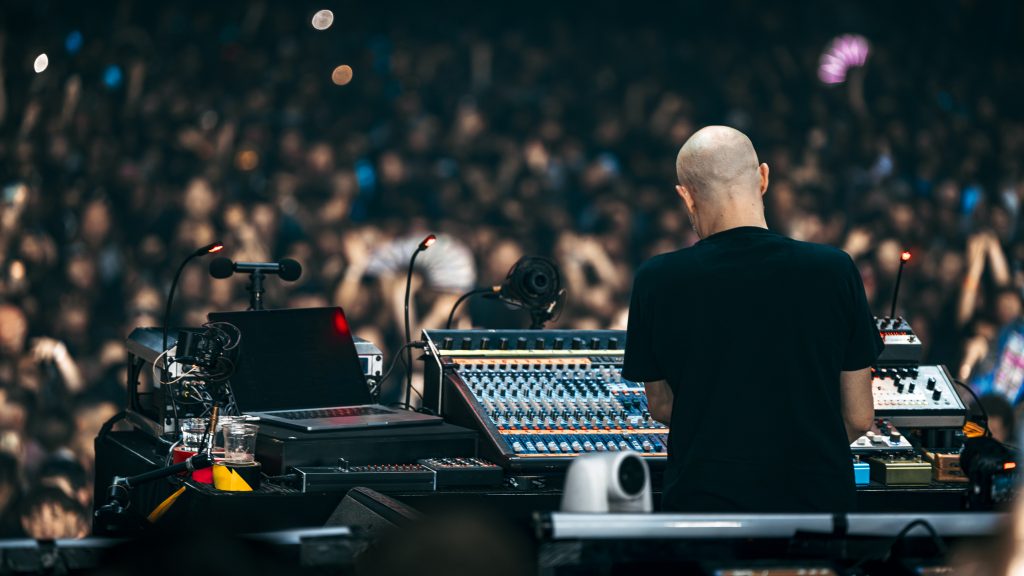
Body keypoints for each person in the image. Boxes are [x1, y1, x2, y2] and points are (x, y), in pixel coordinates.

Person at [622, 126, 883, 513]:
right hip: (816, 509)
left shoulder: (656, 280)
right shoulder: (835, 269)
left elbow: (661, 406)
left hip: (706, 508)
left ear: (686, 195)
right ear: (763, 177)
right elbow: (860, 417)